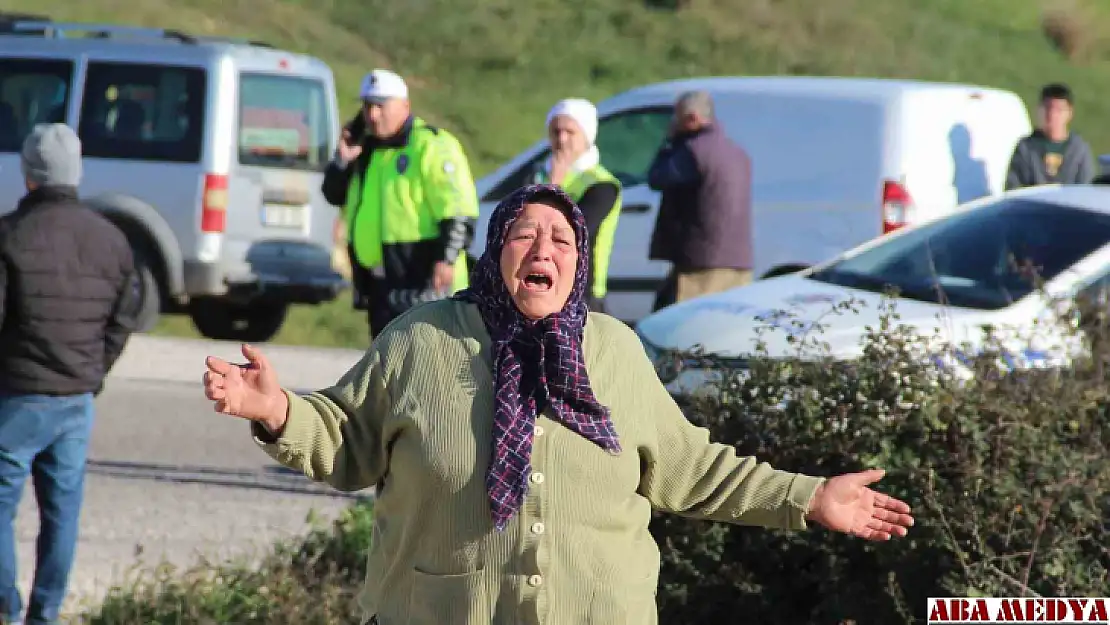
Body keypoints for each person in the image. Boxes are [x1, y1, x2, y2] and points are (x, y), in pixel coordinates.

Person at [201, 184, 914, 625]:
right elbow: (347, 439)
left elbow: (694, 469)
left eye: (562, 239)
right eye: (523, 233)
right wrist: (276, 409)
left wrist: (809, 496)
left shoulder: (613, 350)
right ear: (496, 251)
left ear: (578, 264)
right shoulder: (423, 338)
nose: (543, 248)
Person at [0, 124, 139, 625]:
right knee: (61, 519)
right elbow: (125, 318)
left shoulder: (9, 235)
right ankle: (45, 615)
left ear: (28, 173)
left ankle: (7, 609)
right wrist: (94, 371)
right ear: (76, 171)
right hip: (76, 401)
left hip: (16, 397)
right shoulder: (113, 240)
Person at [321, 68, 480, 338]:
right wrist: (342, 160)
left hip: (424, 279)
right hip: (380, 285)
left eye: (382, 106)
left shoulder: (430, 145)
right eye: (368, 106)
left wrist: (447, 257)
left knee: (428, 363)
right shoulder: (366, 150)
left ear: (405, 106)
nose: (372, 115)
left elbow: (458, 209)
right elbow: (333, 195)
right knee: (388, 368)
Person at [647, 90, 754, 312]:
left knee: (681, 326)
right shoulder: (737, 152)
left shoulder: (692, 151)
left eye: (677, 118)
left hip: (701, 263)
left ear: (692, 118)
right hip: (739, 260)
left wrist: (669, 142)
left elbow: (657, 177)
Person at [530, 98, 622, 312]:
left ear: (587, 137)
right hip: (541, 283)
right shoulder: (538, 175)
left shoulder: (602, 184)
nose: (561, 139)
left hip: (583, 292)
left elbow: (573, 230)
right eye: (555, 131)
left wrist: (553, 186)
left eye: (570, 132)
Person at [1005, 82, 1096, 190]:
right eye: (1048, 108)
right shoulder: (1026, 148)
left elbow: (1086, 188)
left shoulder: (1079, 150)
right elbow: (1014, 188)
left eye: (1059, 110)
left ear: (1069, 113)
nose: (1052, 115)